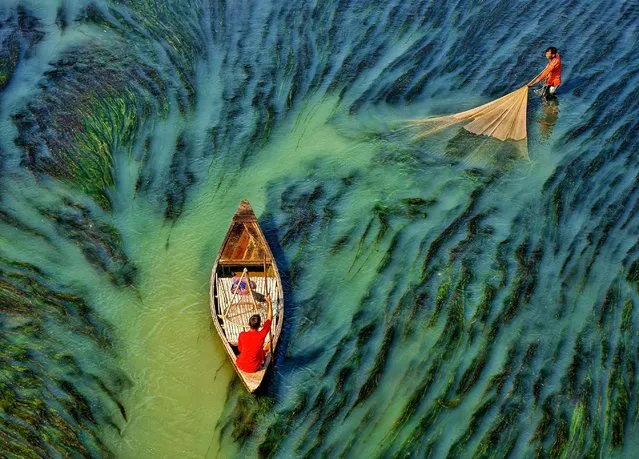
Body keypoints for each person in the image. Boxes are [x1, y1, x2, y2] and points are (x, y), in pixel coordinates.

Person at [235, 294, 273, 373]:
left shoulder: (242, 335)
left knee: (257, 351)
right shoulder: (261, 334)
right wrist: (269, 303)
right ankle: (263, 355)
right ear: (259, 326)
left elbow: (240, 349)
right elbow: (269, 319)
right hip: (253, 368)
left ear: (248, 324)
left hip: (240, 364)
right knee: (265, 348)